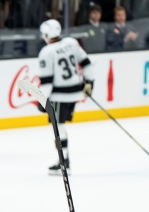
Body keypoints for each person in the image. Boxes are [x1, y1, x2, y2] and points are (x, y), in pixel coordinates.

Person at [38, 18, 94, 175]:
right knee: (61, 126)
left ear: (48, 34)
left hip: (59, 96)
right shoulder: (72, 42)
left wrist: (42, 100)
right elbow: (87, 63)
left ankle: (64, 163)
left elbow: (47, 81)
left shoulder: (46, 52)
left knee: (59, 128)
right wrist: (89, 83)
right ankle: (64, 160)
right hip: (75, 93)